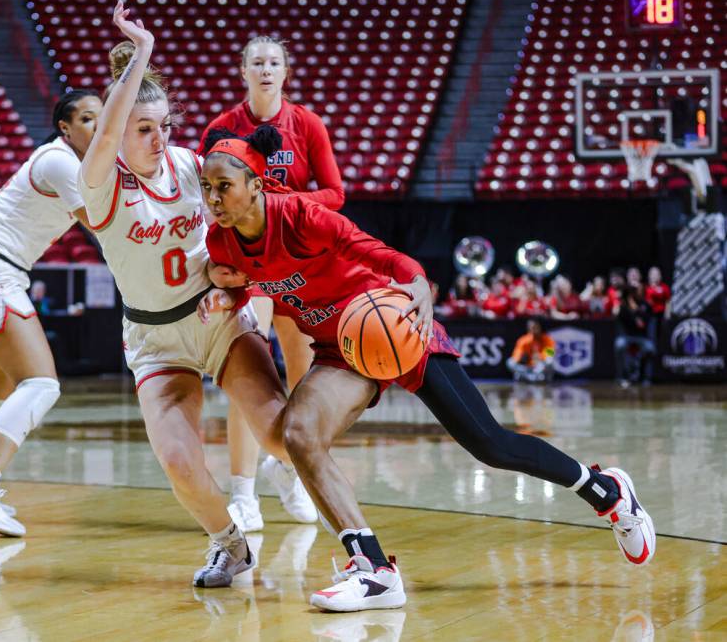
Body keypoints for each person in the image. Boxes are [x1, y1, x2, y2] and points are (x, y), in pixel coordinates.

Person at [200, 124, 656, 612]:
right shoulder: (222, 243)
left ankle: (608, 492)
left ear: (257, 183)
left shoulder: (304, 215)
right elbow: (255, 282)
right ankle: (373, 569)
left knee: (490, 444)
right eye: (206, 188)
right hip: (340, 349)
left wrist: (417, 282)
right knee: (299, 433)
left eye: (223, 186)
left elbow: (382, 254)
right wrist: (226, 293)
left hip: (392, 325)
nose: (213, 198)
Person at [76, 0, 310, 589]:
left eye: (165, 127)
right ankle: (230, 545)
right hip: (154, 339)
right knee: (180, 463)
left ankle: (309, 494)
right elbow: (106, 131)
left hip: (218, 321)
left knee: (285, 435)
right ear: (121, 127)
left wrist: (245, 284)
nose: (159, 139)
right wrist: (144, 52)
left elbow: (246, 230)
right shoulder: (100, 184)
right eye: (144, 129)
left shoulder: (192, 166)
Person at [0, 88, 104, 536]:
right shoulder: (60, 162)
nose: (98, 125)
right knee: (42, 384)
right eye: (88, 118)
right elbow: (101, 226)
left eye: (103, 118)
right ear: (65, 128)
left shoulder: (75, 164)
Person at [196, 35, 338, 532]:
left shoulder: (307, 124)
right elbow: (204, 194)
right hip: (249, 262)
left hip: (295, 261)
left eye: (274, 61)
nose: (265, 68)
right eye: (256, 61)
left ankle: (288, 471)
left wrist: (285, 205)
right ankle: (243, 493)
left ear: (285, 71)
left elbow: (336, 193)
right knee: (252, 375)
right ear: (243, 71)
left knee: (301, 378)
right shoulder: (221, 128)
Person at [614, 286, 655, 387]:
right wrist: (628, 309)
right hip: (627, 336)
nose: (634, 295)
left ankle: (646, 377)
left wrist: (636, 310)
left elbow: (642, 324)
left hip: (642, 337)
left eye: (636, 292)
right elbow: (621, 319)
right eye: (631, 293)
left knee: (650, 348)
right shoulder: (623, 307)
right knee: (619, 345)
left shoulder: (645, 305)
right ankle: (622, 377)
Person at [507, 318, 556, 382]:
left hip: (540, 367)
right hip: (528, 368)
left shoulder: (548, 340)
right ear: (528, 329)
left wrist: (540, 356)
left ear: (540, 327)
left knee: (550, 361)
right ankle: (530, 378)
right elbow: (516, 356)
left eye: (536, 327)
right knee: (510, 362)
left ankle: (535, 378)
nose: (534, 330)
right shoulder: (523, 340)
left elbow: (550, 354)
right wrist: (521, 357)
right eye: (531, 328)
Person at [644, 266, 670, 339]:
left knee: (663, 334)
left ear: (660, 276)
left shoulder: (664, 287)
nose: (655, 276)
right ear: (649, 276)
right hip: (651, 315)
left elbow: (668, 301)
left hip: (662, 315)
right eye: (653, 274)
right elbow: (648, 301)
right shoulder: (647, 288)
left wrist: (667, 314)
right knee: (652, 334)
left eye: (657, 274)